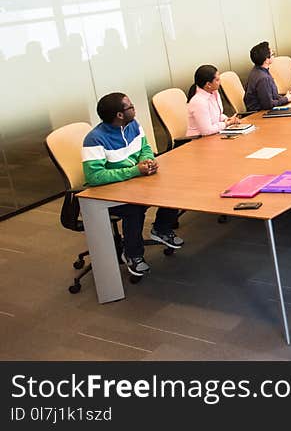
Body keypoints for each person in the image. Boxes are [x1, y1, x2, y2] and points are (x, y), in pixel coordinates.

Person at [82, 92, 184, 276]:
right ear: (119, 115)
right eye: (130, 106)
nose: (134, 108)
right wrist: (135, 170)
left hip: (136, 181)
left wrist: (147, 161)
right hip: (109, 192)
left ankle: (161, 228)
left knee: (173, 186)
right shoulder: (94, 139)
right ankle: (132, 255)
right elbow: (95, 177)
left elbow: (145, 148)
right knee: (134, 210)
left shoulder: (133, 125)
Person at [186, 64, 239, 137]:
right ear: (208, 84)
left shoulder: (214, 93)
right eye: (217, 80)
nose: (220, 82)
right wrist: (226, 124)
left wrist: (227, 119)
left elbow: (217, 116)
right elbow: (207, 131)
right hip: (198, 140)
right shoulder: (198, 101)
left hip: (213, 136)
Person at [244, 41, 291, 111]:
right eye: (273, 54)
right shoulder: (263, 78)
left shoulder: (258, 71)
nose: (274, 56)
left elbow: (270, 96)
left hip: (263, 111)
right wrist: (286, 99)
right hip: (259, 115)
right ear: (266, 60)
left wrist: (285, 97)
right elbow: (268, 105)